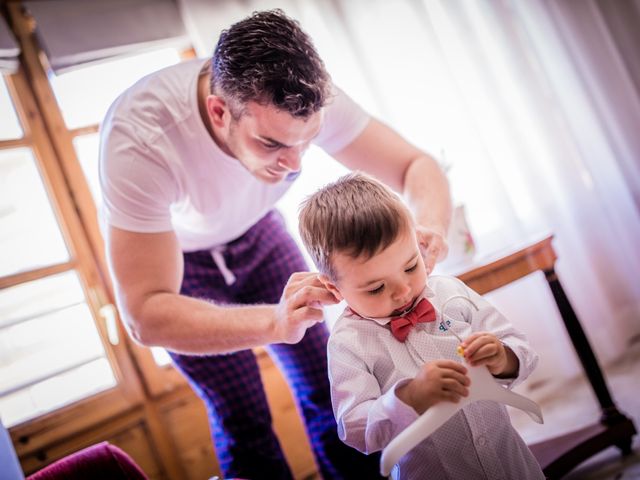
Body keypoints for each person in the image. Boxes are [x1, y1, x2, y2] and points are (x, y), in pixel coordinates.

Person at [99, 8, 451, 480]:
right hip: (177, 262)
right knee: (241, 415)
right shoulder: (139, 138)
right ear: (219, 112)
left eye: (307, 142)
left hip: (260, 232)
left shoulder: (313, 97)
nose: (294, 165)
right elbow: (144, 315)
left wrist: (430, 228)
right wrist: (274, 320)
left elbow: (415, 166)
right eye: (272, 145)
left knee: (329, 386)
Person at [298, 172, 545, 480]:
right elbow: (356, 430)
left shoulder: (451, 293)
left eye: (411, 266)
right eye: (376, 288)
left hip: (511, 464)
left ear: (418, 242)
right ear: (333, 288)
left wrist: (501, 357)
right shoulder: (348, 344)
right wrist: (409, 397)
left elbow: (524, 352)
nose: (402, 291)